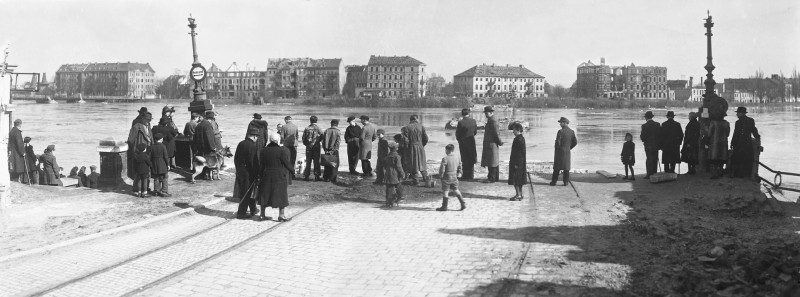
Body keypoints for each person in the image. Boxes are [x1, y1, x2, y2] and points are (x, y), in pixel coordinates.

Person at [257, 133, 295, 222]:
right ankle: (281, 215)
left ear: (270, 140)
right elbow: (286, 163)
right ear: (277, 141)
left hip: (266, 175)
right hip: (279, 176)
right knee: (281, 195)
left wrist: (259, 175)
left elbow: (261, 165)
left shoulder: (263, 151)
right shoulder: (281, 151)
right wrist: (293, 171)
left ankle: (262, 215)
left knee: (264, 194)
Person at [235, 127, 261, 219]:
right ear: (254, 136)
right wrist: (256, 174)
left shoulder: (240, 144)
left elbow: (236, 159)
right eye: (257, 136)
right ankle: (241, 213)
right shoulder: (252, 146)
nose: (257, 138)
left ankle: (253, 209)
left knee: (248, 191)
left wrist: (238, 169)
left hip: (240, 171)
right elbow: (253, 162)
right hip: (248, 173)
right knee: (246, 193)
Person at [730, 106, 761, 178]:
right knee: (747, 159)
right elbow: (754, 130)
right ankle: (746, 174)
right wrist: (758, 137)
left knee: (736, 158)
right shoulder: (751, 120)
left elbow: (735, 134)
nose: (736, 114)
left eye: (737, 113)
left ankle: (736, 174)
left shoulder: (737, 122)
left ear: (741, 113)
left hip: (739, 143)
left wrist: (732, 143)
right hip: (747, 143)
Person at [193, 110, 221, 182]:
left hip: (200, 147)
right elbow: (209, 137)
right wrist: (213, 147)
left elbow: (195, 138)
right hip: (208, 147)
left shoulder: (199, 125)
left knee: (203, 162)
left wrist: (195, 148)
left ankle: (202, 175)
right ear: (210, 119)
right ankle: (207, 176)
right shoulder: (208, 125)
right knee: (209, 162)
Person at [436, 144, 466, 210]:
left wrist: (441, 176)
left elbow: (442, 169)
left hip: (447, 177)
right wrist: (459, 172)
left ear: (447, 150)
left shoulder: (445, 159)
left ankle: (444, 206)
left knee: (445, 191)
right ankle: (463, 203)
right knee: (456, 190)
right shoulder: (457, 157)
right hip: (454, 176)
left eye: (446, 150)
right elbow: (460, 165)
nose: (445, 151)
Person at [403, 115, 430, 185]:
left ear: (410, 120)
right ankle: (426, 178)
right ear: (417, 119)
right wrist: (422, 145)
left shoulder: (407, 127)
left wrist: (406, 148)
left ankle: (416, 181)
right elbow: (426, 138)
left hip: (412, 147)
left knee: (413, 164)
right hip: (420, 146)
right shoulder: (421, 127)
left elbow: (405, 140)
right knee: (422, 163)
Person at [551, 117, 577, 186]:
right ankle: (566, 182)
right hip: (567, 152)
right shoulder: (572, 132)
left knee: (557, 168)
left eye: (561, 122)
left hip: (559, 152)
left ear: (565, 123)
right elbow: (575, 142)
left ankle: (554, 182)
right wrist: (569, 148)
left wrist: (557, 149)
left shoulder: (560, 131)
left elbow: (558, 143)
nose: (560, 124)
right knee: (566, 168)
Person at [128, 112, 153, 180]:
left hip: (148, 150)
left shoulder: (148, 126)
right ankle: (137, 188)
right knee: (138, 172)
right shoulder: (136, 127)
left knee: (146, 171)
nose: (148, 121)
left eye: (150, 120)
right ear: (142, 119)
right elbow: (130, 140)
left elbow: (151, 137)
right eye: (147, 120)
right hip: (139, 151)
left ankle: (145, 187)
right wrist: (135, 150)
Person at [481, 106, 503, 183]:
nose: (485, 115)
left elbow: (496, 134)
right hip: (492, 143)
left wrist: (500, 142)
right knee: (493, 160)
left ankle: (491, 178)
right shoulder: (492, 120)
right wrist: (499, 142)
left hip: (491, 144)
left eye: (486, 113)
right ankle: (495, 177)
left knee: (492, 161)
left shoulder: (492, 121)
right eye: (485, 113)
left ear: (491, 113)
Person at [455, 108, 478, 180]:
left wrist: (459, 140)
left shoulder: (461, 122)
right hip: (471, 141)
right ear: (469, 113)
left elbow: (457, 134)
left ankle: (465, 175)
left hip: (463, 142)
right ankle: (471, 175)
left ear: (462, 114)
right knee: (471, 158)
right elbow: (475, 132)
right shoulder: (473, 121)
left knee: (465, 158)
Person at [383, 143, 405, 208]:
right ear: (396, 149)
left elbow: (384, 165)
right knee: (399, 187)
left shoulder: (387, 156)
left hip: (388, 173)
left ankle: (388, 202)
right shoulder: (397, 156)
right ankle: (397, 200)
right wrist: (402, 174)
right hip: (395, 173)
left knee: (389, 188)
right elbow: (399, 166)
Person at [508, 124, 527, 200]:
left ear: (518, 130)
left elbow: (519, 153)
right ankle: (520, 194)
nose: (513, 131)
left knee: (515, 179)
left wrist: (516, 164)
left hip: (517, 163)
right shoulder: (522, 138)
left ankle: (518, 194)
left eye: (514, 130)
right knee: (520, 180)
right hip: (521, 163)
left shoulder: (518, 139)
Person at [640, 111, 661, 179]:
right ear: (652, 117)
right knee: (655, 159)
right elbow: (660, 135)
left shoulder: (644, 126)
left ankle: (649, 174)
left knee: (649, 159)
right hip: (656, 145)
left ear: (646, 118)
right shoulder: (657, 124)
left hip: (648, 145)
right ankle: (654, 173)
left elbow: (642, 137)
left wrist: (644, 140)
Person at [302, 115, 323, 181]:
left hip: (309, 146)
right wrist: (318, 141)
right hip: (316, 146)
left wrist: (307, 144)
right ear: (316, 121)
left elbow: (303, 138)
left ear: (310, 120)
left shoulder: (307, 128)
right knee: (316, 161)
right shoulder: (318, 128)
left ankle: (306, 176)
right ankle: (317, 176)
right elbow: (322, 135)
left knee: (308, 161)